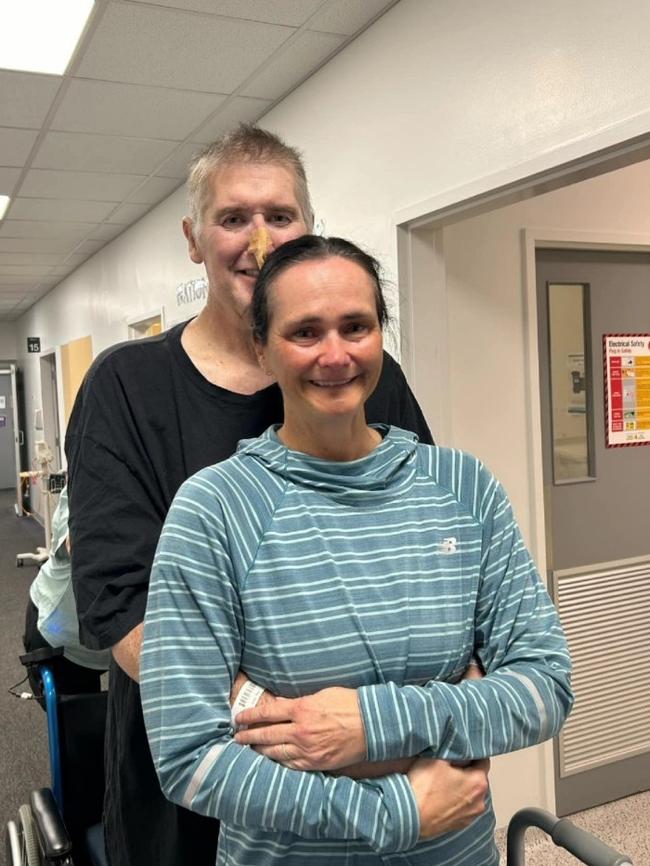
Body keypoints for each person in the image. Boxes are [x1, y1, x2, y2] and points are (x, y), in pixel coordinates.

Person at [65, 126, 435, 866]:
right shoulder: (126, 389)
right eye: (233, 218)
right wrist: (294, 732)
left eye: (281, 217)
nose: (259, 241)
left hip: (370, 767)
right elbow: (122, 606)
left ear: (308, 232)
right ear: (193, 238)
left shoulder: (367, 374)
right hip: (197, 785)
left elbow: (429, 554)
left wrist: (413, 730)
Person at [140, 235, 573, 866]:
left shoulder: (463, 488)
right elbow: (189, 758)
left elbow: (543, 689)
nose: (336, 354)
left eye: (356, 326)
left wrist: (371, 724)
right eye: (305, 332)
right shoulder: (215, 509)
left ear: (380, 335)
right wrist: (396, 810)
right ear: (261, 347)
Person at [23, 486, 110, 702]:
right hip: (60, 632)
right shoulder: (91, 474)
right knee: (82, 729)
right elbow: (83, 547)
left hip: (110, 638)